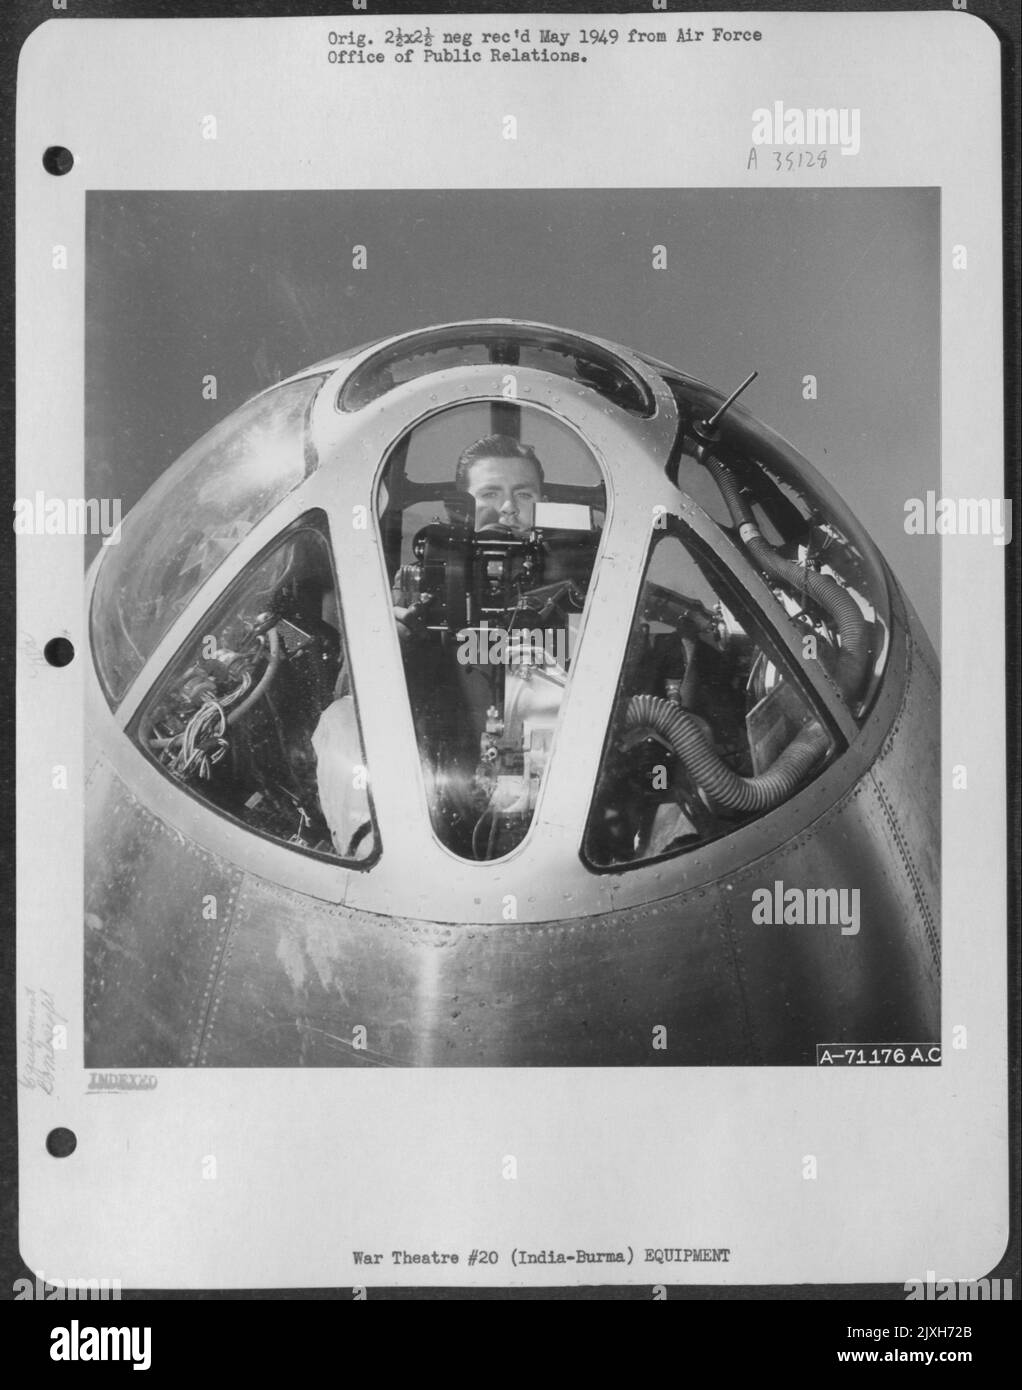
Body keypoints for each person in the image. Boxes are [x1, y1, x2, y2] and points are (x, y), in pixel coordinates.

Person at [313, 435, 591, 860]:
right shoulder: (417, 582)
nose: (508, 508)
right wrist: (387, 647)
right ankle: (372, 855)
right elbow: (350, 691)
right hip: (440, 765)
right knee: (344, 719)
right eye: (490, 494)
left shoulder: (584, 580)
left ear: (543, 501)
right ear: (461, 506)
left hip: (560, 773)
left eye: (524, 494)